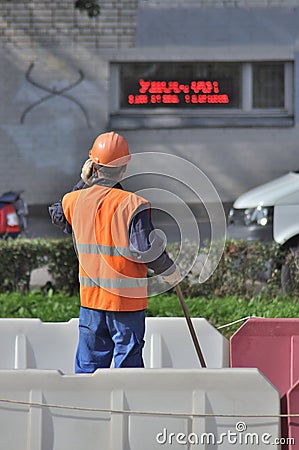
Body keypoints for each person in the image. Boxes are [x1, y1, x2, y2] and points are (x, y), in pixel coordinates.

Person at [49, 131, 181, 373]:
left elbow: (58, 213)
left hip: (91, 303)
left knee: (88, 369)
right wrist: (171, 271)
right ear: (124, 168)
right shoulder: (132, 204)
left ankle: (89, 410)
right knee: (127, 371)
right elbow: (145, 250)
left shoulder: (74, 201)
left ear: (93, 166)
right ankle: (124, 412)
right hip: (125, 304)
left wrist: (83, 182)